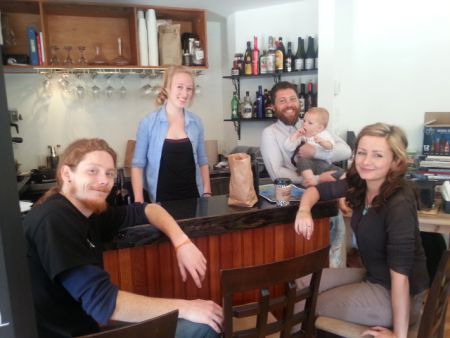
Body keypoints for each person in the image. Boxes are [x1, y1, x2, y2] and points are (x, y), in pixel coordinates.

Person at [24, 138, 222, 338]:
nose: (104, 181)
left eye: (109, 173)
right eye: (93, 171)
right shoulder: (54, 219)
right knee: (201, 328)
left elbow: (148, 209)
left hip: (86, 330)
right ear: (67, 174)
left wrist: (182, 242)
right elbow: (104, 303)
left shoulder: (87, 213)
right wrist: (187, 308)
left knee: (204, 324)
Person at [294, 123, 429, 338]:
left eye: (377, 155)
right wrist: (303, 210)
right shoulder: (361, 183)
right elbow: (317, 190)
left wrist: (399, 336)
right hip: (376, 276)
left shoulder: (399, 203)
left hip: (399, 294)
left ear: (396, 162)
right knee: (302, 284)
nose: (366, 161)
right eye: (362, 153)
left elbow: (401, 276)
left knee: (310, 303)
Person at [260, 81, 351, 268]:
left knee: (334, 243)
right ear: (273, 106)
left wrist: (316, 153)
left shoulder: (313, 123)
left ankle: (334, 287)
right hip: (296, 202)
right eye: (282, 101)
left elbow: (346, 150)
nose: (289, 104)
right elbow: (277, 172)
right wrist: (315, 179)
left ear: (299, 101)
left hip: (327, 197)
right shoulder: (270, 133)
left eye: (292, 99)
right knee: (306, 253)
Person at [132, 65, 211, 203]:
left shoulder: (196, 123)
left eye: (189, 88)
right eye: (179, 87)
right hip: (161, 201)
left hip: (194, 198)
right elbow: (138, 165)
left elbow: (202, 161)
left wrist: (207, 192)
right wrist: (139, 202)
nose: (185, 93)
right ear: (167, 88)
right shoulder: (148, 123)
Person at [283, 107, 345, 187]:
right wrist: (295, 135)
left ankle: (340, 179)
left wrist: (322, 142)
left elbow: (330, 146)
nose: (304, 124)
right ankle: (310, 180)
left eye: (310, 123)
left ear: (320, 128)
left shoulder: (323, 134)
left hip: (323, 164)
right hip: (307, 165)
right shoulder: (302, 135)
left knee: (341, 173)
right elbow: (288, 147)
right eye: (304, 121)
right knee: (302, 161)